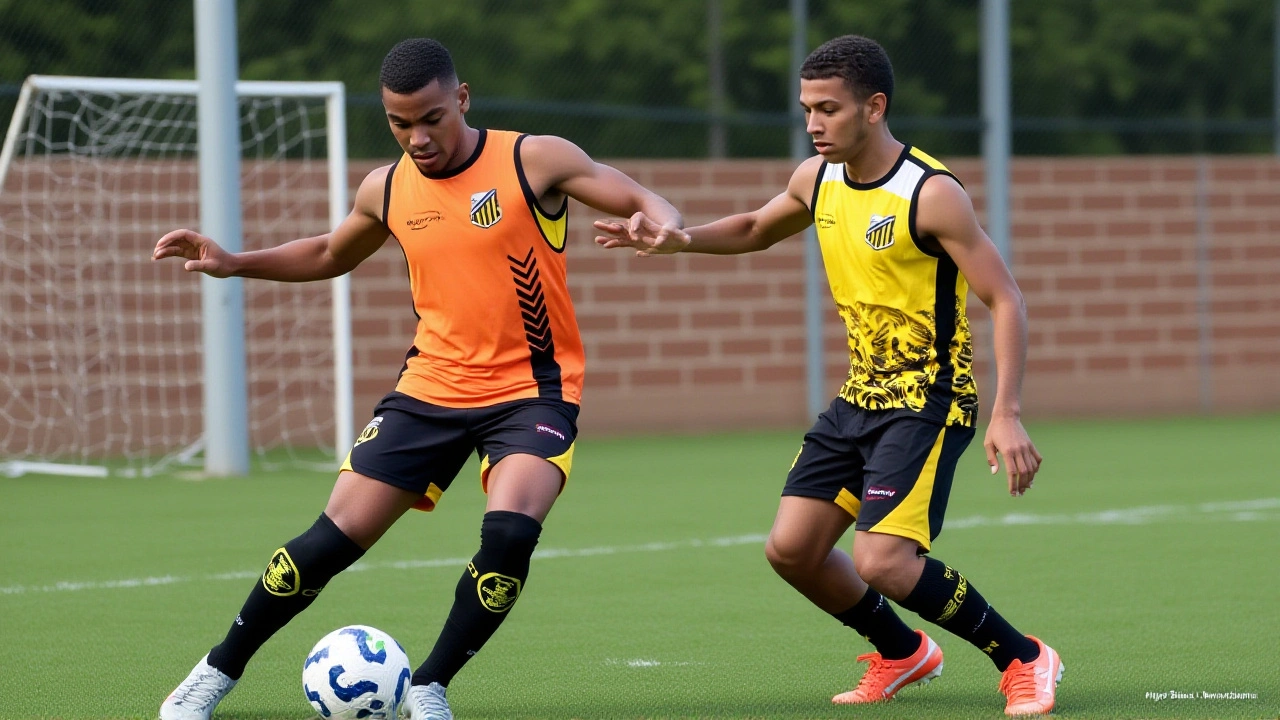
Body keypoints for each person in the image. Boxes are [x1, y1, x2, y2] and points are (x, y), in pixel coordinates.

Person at [153, 38, 685, 720]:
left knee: (511, 535)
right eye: (399, 123)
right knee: (325, 543)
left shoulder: (533, 159)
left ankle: (430, 686)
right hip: (429, 389)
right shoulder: (387, 186)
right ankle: (214, 673)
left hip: (531, 393)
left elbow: (641, 197)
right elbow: (326, 251)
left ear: (461, 99)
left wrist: (663, 226)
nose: (416, 137)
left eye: (430, 118)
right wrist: (234, 260)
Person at [594, 35, 1062, 717]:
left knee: (883, 562)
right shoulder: (816, 178)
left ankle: (1022, 657)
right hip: (859, 398)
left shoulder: (930, 194)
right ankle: (904, 654)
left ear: (874, 107)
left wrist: (1007, 410)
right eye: (807, 109)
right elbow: (756, 226)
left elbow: (1005, 297)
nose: (814, 124)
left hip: (927, 401)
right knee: (792, 550)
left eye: (829, 109)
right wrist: (681, 238)